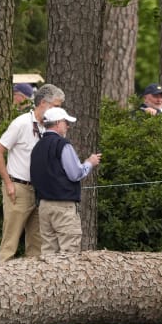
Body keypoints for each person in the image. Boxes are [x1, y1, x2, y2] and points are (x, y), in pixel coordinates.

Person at [0, 84, 65, 262]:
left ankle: (32, 283)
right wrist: (9, 183)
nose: (59, 110)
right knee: (11, 240)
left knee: (37, 242)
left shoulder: (48, 128)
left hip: (40, 190)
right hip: (19, 188)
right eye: (56, 106)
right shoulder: (21, 123)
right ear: (42, 103)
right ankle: (1, 281)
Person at [30, 107, 101, 254]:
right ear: (57, 123)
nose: (68, 126)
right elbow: (75, 174)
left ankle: (49, 278)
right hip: (63, 206)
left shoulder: (37, 147)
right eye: (65, 122)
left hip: (43, 206)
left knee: (48, 252)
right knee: (69, 253)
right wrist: (89, 162)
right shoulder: (62, 144)